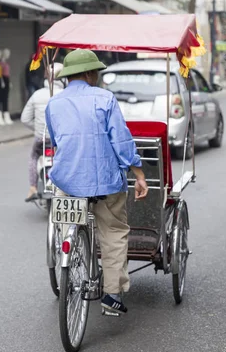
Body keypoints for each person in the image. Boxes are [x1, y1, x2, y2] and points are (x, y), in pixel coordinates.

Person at [45, 49, 149, 314]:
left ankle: (69, 247)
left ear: (69, 76)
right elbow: (122, 143)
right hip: (105, 182)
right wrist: (138, 173)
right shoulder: (105, 98)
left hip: (66, 181)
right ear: (91, 73)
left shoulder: (53, 104)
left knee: (67, 226)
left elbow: (57, 142)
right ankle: (112, 295)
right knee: (113, 233)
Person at [21, 62, 64, 202]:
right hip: (61, 140)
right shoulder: (66, 95)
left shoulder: (36, 95)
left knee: (34, 156)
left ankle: (32, 187)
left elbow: (25, 119)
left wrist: (39, 130)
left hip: (41, 139)